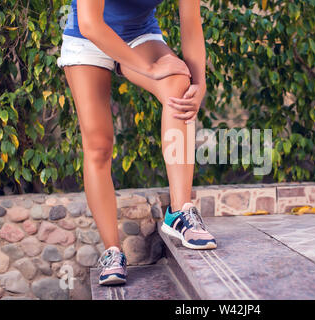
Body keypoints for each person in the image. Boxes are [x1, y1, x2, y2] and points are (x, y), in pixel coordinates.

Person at [57, 0, 217, 286]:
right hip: (87, 39)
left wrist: (200, 82)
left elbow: (190, 20)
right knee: (98, 144)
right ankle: (113, 251)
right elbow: (90, 24)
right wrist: (149, 67)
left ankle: (180, 211)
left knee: (178, 84)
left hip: (139, 35)